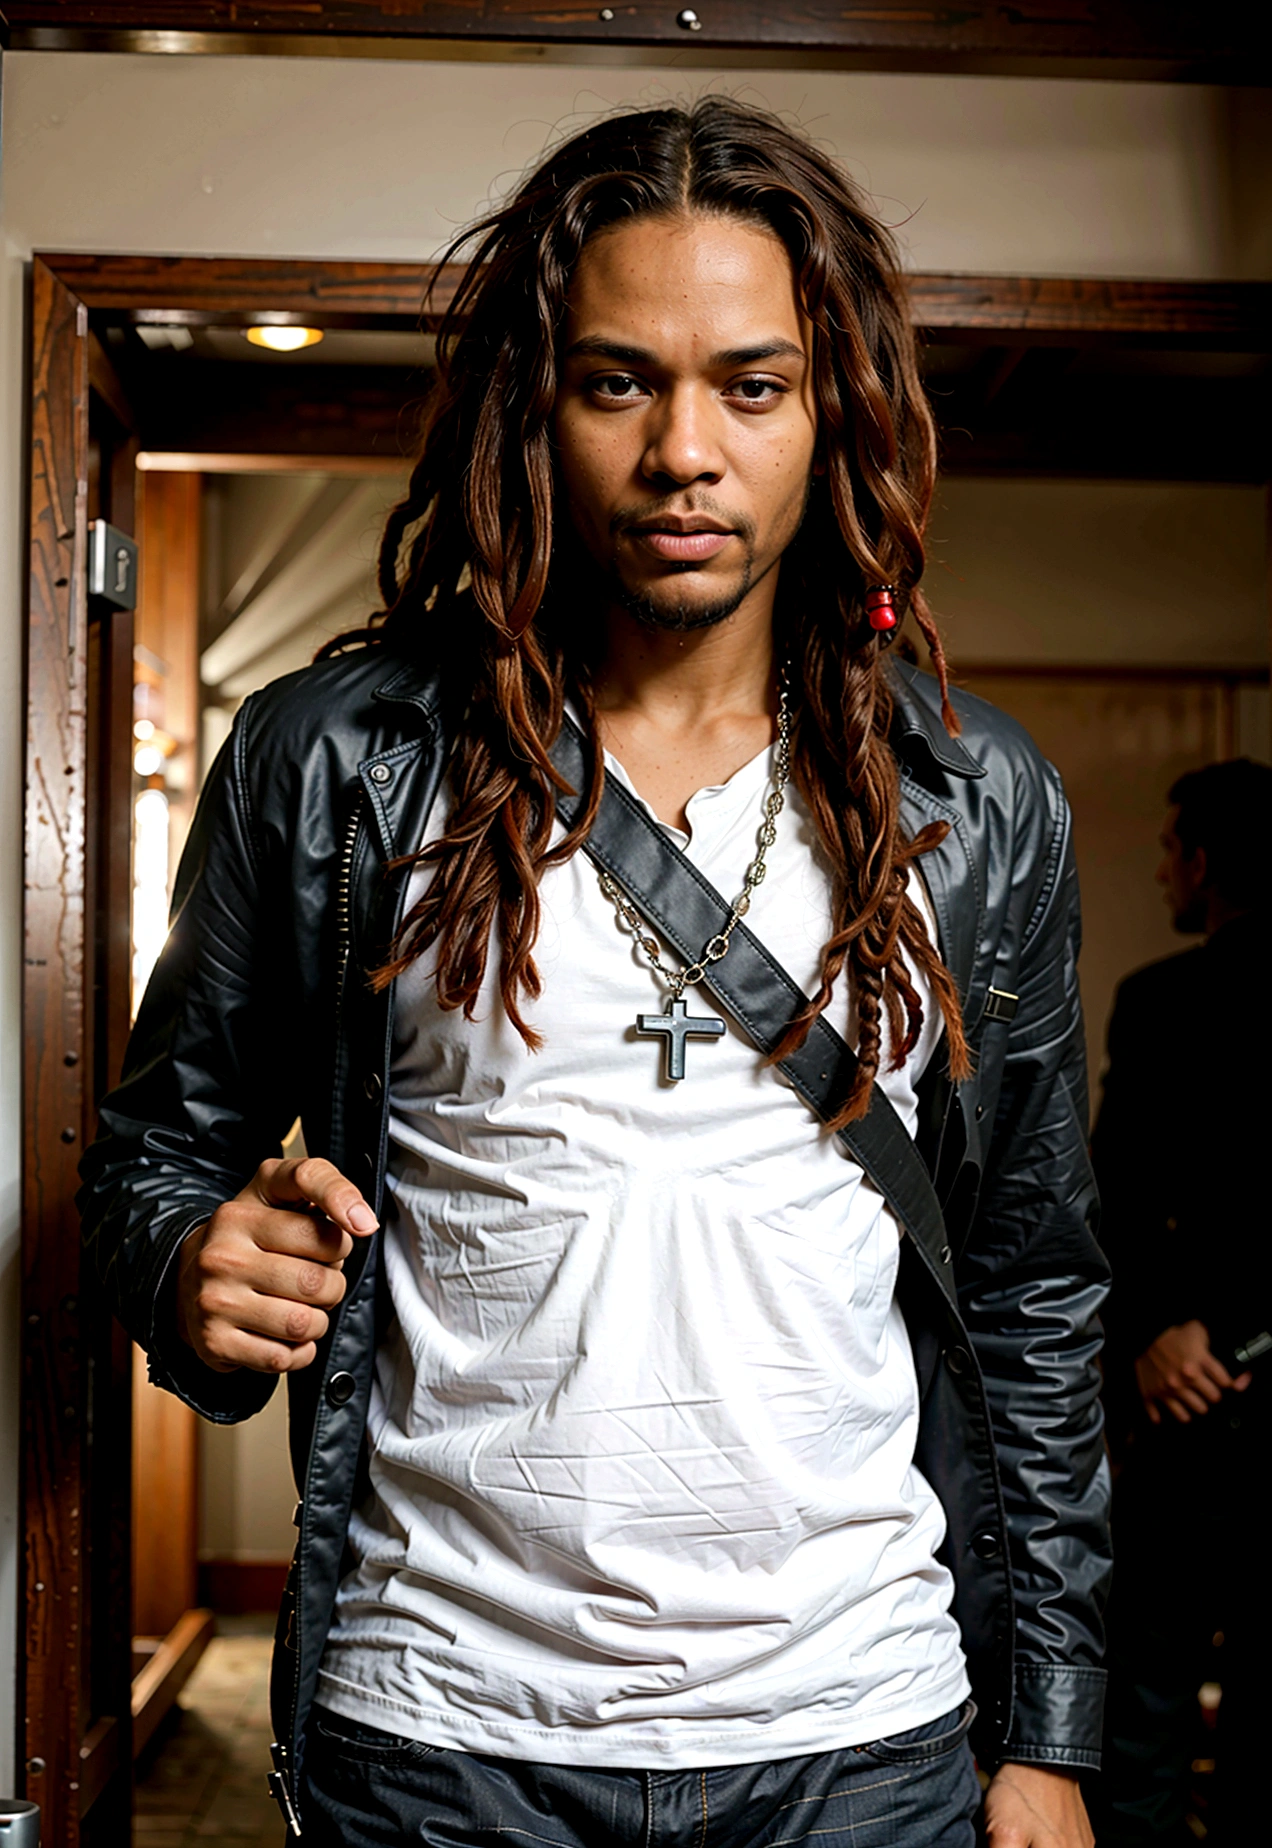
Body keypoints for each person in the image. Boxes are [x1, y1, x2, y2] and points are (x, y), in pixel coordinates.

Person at [80, 100, 1109, 1848]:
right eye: (619, 381)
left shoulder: (975, 800)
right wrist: (189, 1263)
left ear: (830, 411)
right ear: (530, 408)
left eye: (751, 386)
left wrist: (1053, 1733)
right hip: (442, 1735)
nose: (682, 451)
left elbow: (1032, 1289)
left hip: (865, 1731)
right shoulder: (340, 759)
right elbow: (145, 1158)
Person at [1089, 758, 1272, 1847]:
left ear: (1202, 865)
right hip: (1213, 1392)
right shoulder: (1157, 1002)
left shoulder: (1158, 1002)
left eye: (1169, 851)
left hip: (1177, 1416)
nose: (1164, 870)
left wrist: (1163, 1339)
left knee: (1143, 1723)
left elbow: (1105, 1200)